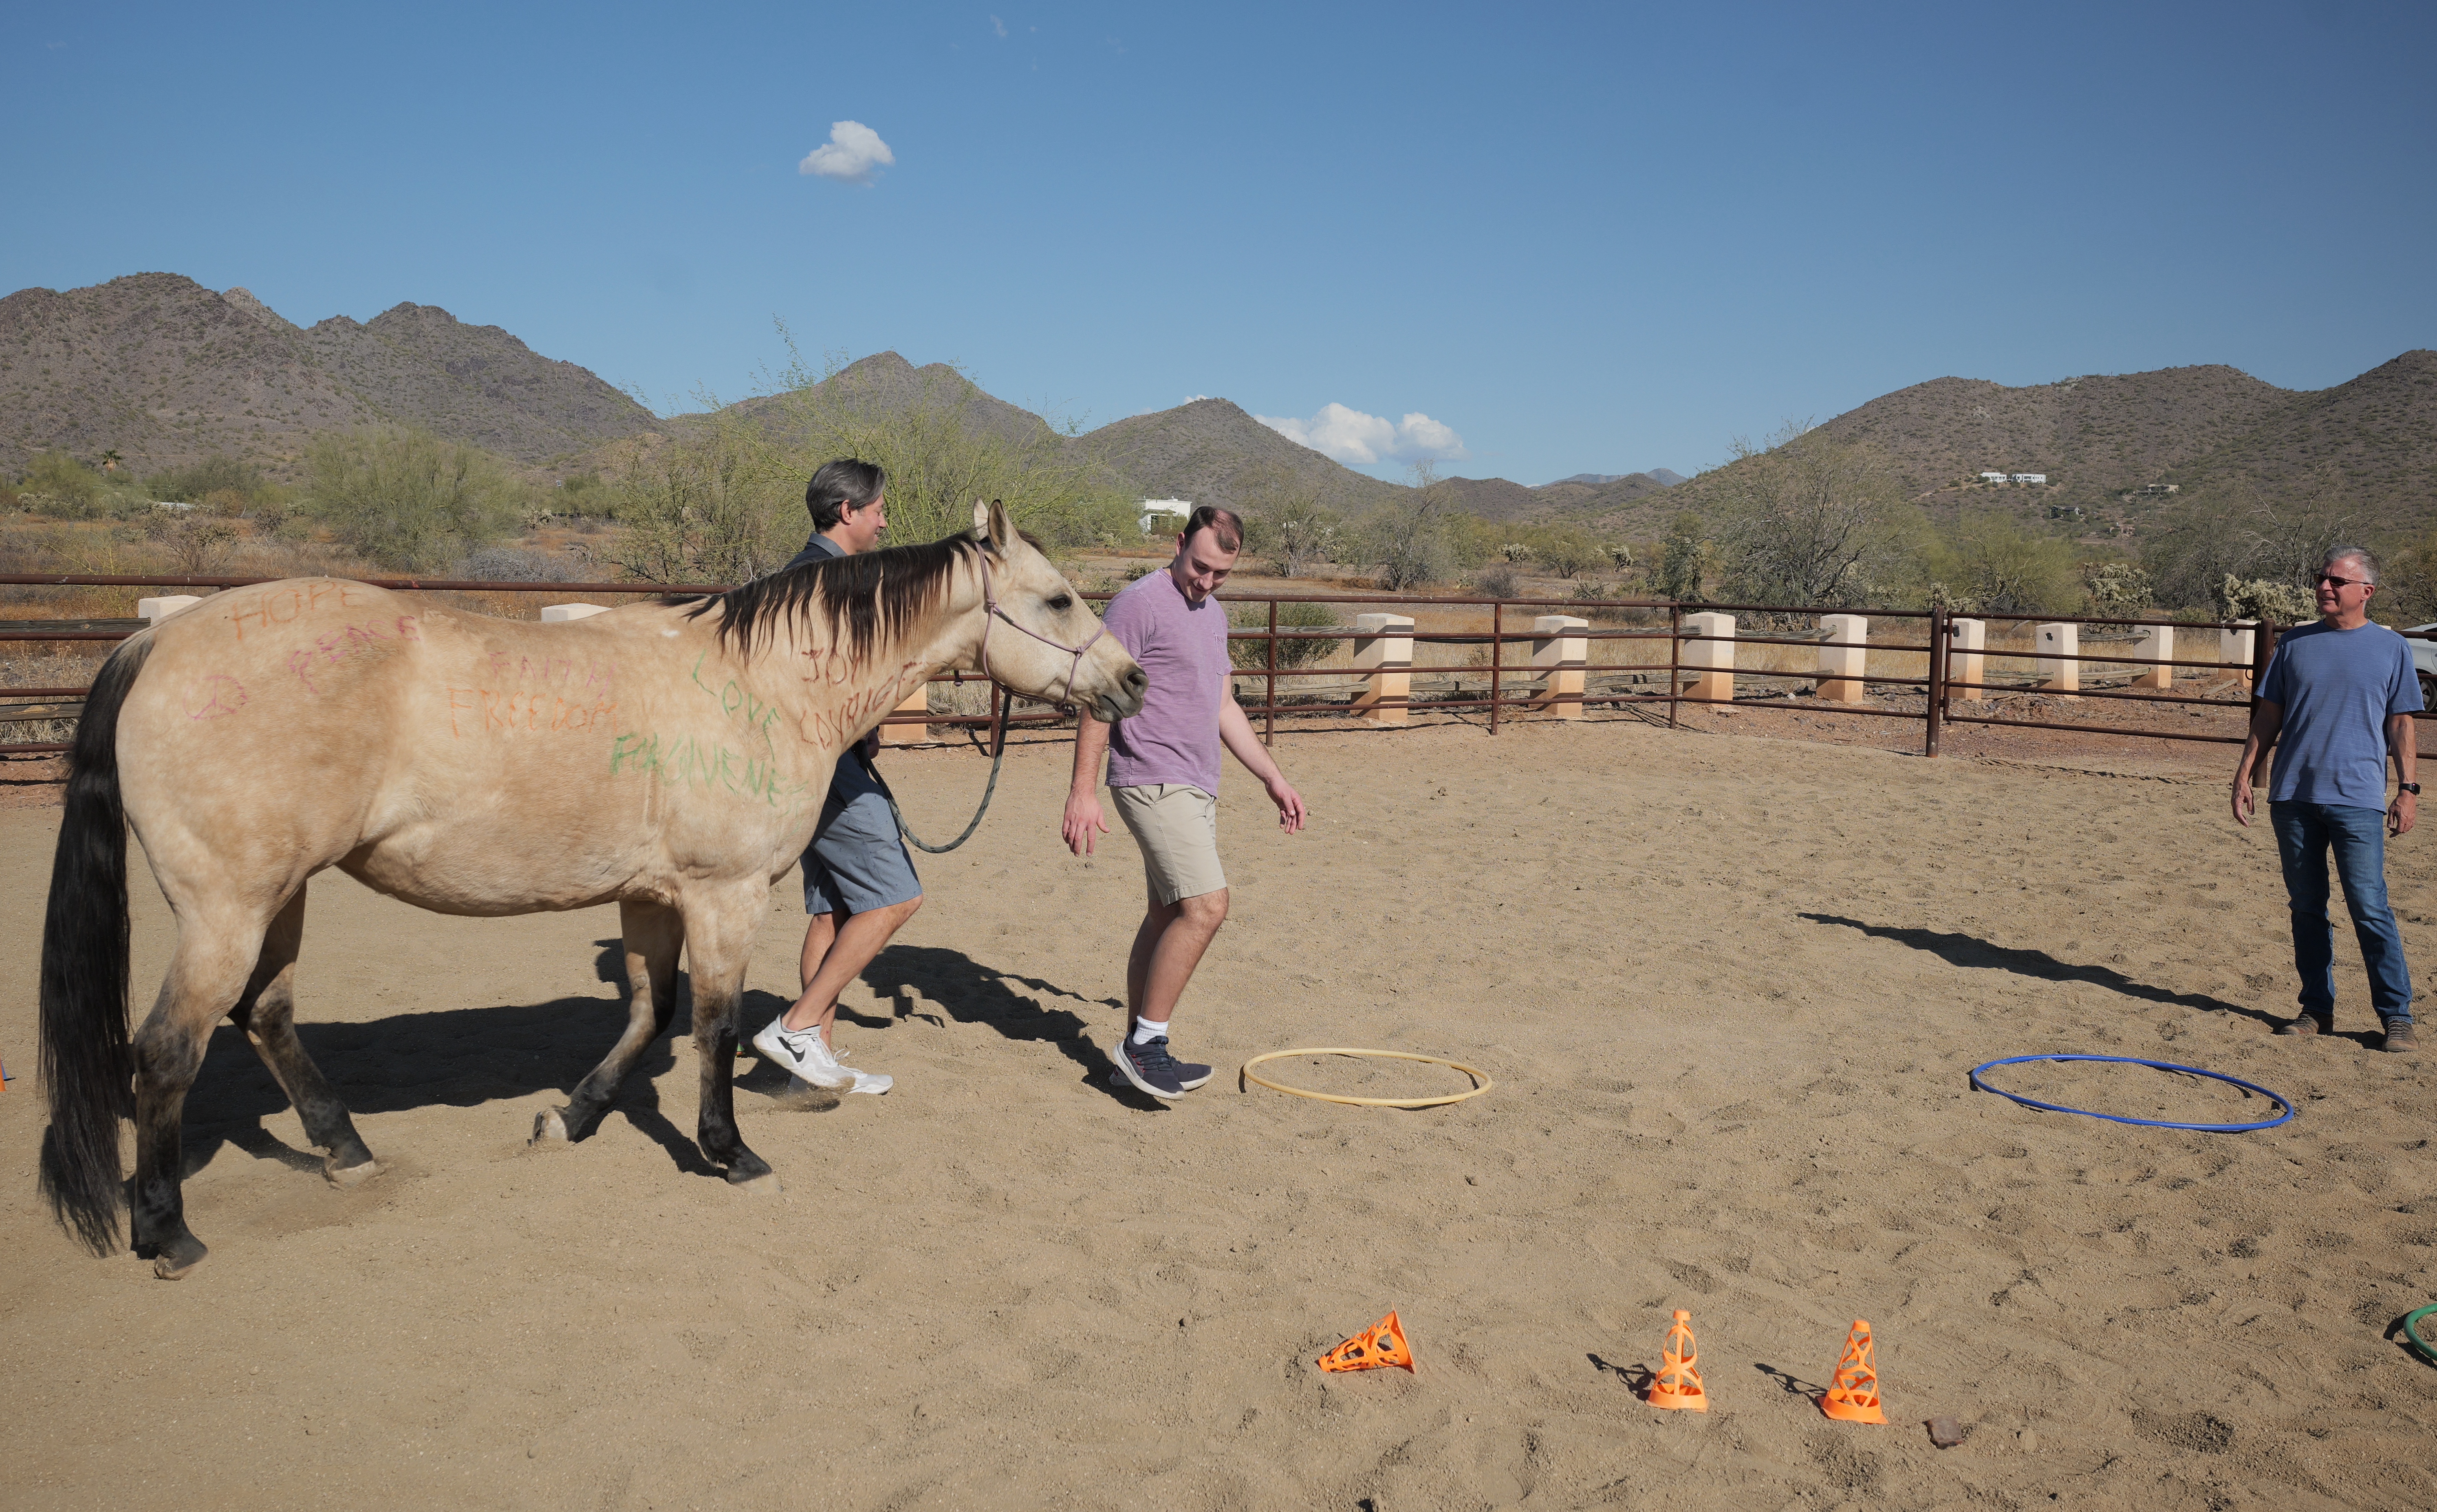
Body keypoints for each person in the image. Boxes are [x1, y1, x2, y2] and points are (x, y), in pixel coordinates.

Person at [1061, 504, 1310, 1098]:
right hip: (1151, 777)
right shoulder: (1140, 602)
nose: (1206, 581)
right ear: (1178, 543)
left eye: (1220, 573)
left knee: (1170, 914)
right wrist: (1082, 790)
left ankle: (1135, 1051)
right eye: (1200, 567)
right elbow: (1101, 697)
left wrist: (1273, 777)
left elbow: (1224, 707)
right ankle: (1147, 1043)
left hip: (1197, 782)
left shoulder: (1215, 614)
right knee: (1208, 906)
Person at [750, 460, 921, 1094]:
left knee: (835, 909)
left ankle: (813, 1056)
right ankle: (797, 1027)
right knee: (895, 897)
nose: (884, 521)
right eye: (878, 509)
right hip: (828, 764)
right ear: (848, 512)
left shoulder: (793, 577)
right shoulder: (829, 585)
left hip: (801, 768)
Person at [2232, 544, 2422, 1052]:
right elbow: (2268, 717)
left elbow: (2401, 723)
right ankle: (2316, 1008)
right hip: (2293, 797)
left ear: (2366, 591)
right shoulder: (2294, 645)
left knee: (2369, 906)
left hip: (2357, 799)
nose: (2324, 587)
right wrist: (2244, 774)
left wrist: (2407, 790)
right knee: (2306, 908)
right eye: (2322, 578)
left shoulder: (2391, 649)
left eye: (2337, 581)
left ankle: (2395, 1015)